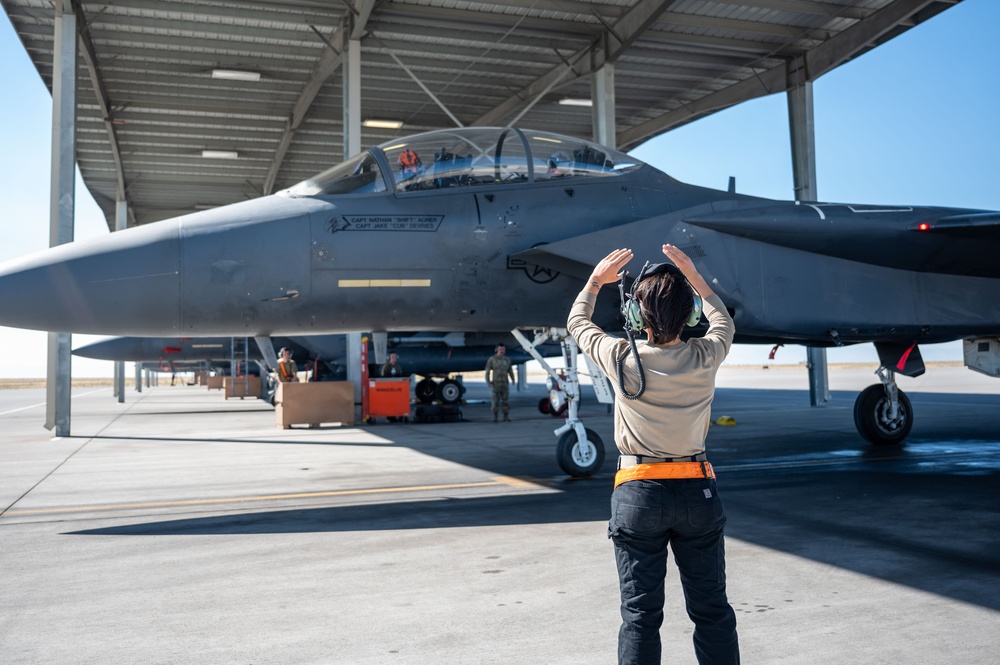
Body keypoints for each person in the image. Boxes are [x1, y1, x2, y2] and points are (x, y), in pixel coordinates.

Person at [567, 244, 739, 665]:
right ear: (690, 316)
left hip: (638, 494)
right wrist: (693, 276)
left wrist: (595, 280)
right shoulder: (706, 354)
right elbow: (722, 320)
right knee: (712, 611)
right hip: (698, 491)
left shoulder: (621, 356)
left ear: (634, 317)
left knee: (641, 617)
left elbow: (577, 322)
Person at [484, 343, 515, 422]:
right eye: (500, 349)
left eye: (503, 349)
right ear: (497, 350)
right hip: (496, 384)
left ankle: (506, 416)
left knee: (505, 401)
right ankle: (495, 416)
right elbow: (487, 371)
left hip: (505, 383)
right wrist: (488, 381)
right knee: (495, 401)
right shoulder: (492, 359)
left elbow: (510, 371)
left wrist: (513, 379)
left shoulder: (507, 359)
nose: (502, 351)